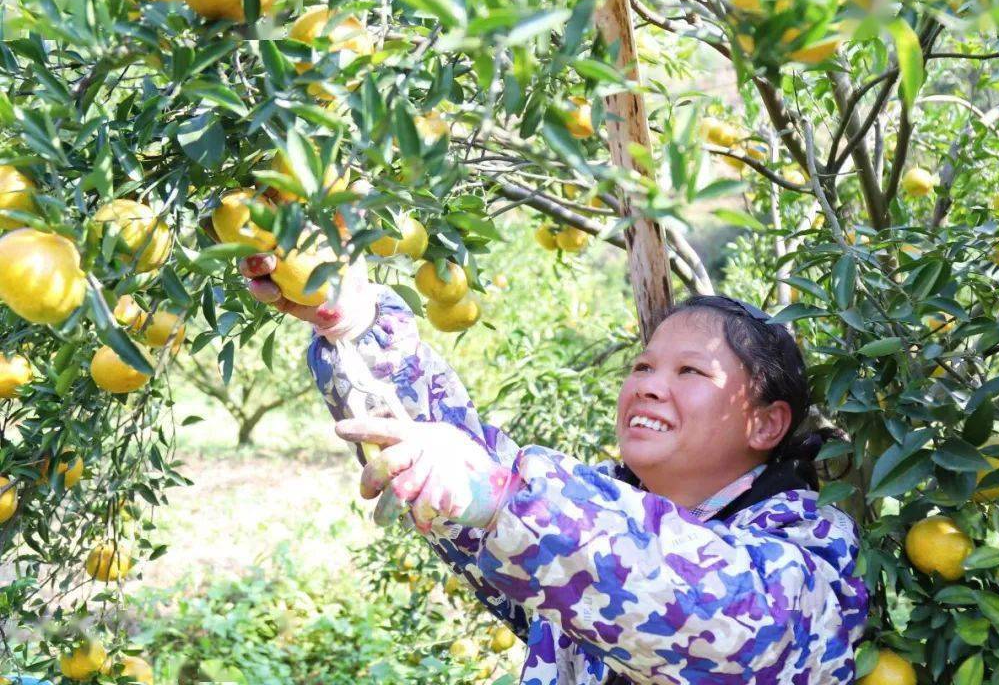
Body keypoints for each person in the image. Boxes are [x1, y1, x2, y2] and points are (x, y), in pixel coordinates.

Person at [241, 252, 869, 684]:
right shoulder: (581, 527)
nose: (648, 386)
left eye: (690, 372)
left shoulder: (813, 554)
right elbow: (454, 466)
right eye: (643, 367)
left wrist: (506, 497)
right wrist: (355, 326)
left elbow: (722, 615)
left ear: (765, 423)